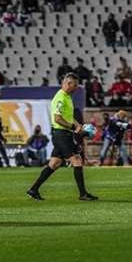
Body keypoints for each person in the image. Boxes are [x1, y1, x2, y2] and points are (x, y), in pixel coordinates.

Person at [27, 73, 97, 201]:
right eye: (74, 85)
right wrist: (73, 127)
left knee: (55, 163)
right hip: (61, 135)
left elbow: (68, 117)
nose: (76, 88)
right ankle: (83, 194)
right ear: (68, 83)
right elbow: (58, 119)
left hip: (63, 134)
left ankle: (33, 189)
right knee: (77, 160)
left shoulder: (67, 97)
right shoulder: (60, 98)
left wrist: (79, 126)